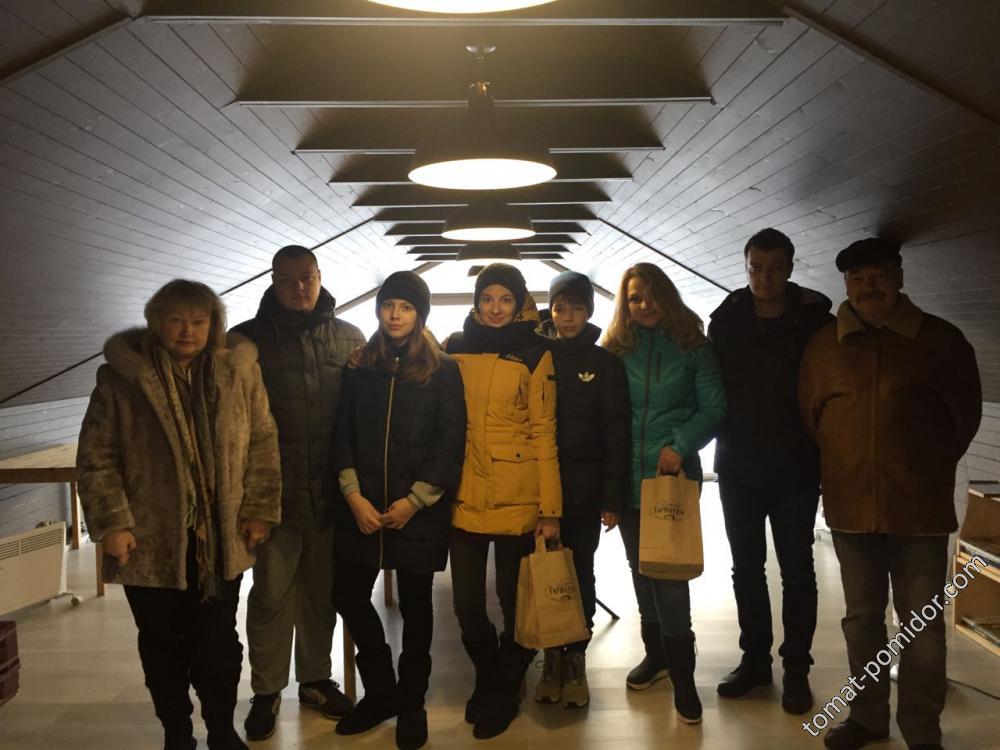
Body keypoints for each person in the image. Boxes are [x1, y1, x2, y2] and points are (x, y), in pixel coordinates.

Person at [77, 280, 281, 750]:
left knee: (218, 644)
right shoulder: (121, 379)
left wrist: (259, 510)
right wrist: (113, 523)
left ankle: (222, 730)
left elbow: (263, 443)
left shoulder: (238, 374)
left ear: (213, 325)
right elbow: (96, 457)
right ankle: (177, 732)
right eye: (176, 320)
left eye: (198, 321)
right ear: (156, 322)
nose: (187, 331)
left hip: (221, 536)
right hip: (149, 540)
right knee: (160, 643)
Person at [800, 238, 981, 750]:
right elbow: (812, 419)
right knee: (861, 622)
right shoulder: (824, 346)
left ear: (899, 277)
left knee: (922, 628)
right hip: (850, 506)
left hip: (919, 508)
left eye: (878, 275)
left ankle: (923, 732)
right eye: (857, 279)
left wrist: (923, 467)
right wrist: (847, 465)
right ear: (846, 286)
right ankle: (868, 719)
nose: (868, 286)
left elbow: (964, 417)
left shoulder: (941, 340)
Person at [232, 245, 364, 740]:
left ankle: (315, 681)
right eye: (288, 279)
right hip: (272, 500)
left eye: (306, 277)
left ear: (320, 276)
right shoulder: (245, 342)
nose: (299, 287)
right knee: (270, 596)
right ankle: (266, 691)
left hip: (332, 496)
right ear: (273, 281)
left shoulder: (349, 337)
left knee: (320, 596)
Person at [330, 271, 466, 750]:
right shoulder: (360, 366)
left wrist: (415, 501)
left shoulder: (443, 369)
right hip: (363, 510)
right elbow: (342, 435)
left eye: (405, 307)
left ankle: (411, 702)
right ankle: (381, 691)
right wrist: (353, 496)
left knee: (417, 610)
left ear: (420, 314)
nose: (395, 314)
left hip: (418, 513)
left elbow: (450, 442)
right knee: (347, 595)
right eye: (388, 304)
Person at [707, 228, 833, 714]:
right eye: (756, 268)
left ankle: (796, 669)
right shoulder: (726, 320)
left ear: (790, 268)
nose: (765, 277)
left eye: (775, 267)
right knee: (746, 570)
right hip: (738, 466)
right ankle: (755, 661)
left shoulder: (815, 321)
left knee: (797, 571)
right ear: (746, 268)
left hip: (796, 467)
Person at [603, 262, 726, 725]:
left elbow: (714, 407)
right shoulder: (615, 350)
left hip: (670, 478)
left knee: (670, 579)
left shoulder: (694, 347)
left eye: (651, 295)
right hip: (625, 480)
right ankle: (656, 656)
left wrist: (679, 444)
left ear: (667, 296)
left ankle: (683, 676)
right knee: (640, 571)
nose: (644, 304)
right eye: (634, 298)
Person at [444, 263, 562, 739]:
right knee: (466, 607)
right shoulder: (454, 347)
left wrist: (550, 510)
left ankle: (505, 689)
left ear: (520, 304)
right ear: (477, 302)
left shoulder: (535, 354)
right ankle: (492, 677)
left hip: (519, 495)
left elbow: (544, 434)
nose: (495, 308)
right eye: (487, 298)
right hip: (464, 492)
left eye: (505, 299)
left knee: (516, 607)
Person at [534, 271, 630, 709]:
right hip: (539, 490)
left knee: (579, 572)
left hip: (586, 491)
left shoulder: (605, 363)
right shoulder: (537, 358)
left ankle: (575, 656)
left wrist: (612, 497)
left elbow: (615, 432)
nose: (567, 316)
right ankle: (550, 656)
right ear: (550, 312)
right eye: (559, 308)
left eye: (575, 308)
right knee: (545, 574)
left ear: (589, 311)